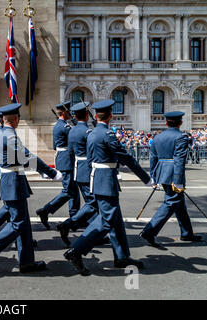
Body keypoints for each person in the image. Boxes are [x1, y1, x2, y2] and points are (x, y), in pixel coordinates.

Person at [63, 100, 154, 276]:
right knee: (107, 220)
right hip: (106, 181)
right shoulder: (107, 134)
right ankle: (76, 251)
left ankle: (122, 256)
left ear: (96, 116)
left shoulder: (92, 133)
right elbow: (126, 158)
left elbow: (90, 160)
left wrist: (93, 180)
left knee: (116, 220)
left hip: (98, 179)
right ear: (111, 116)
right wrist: (146, 178)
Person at [0, 103, 63, 276]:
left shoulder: (2, 133)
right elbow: (27, 156)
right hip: (12, 182)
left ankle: (27, 261)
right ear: (15, 119)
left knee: (24, 223)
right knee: (18, 223)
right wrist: (51, 172)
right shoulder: (10, 136)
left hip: (11, 180)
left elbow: (22, 155)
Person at [140, 111, 202, 248]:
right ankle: (149, 231)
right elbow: (179, 160)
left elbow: (153, 159)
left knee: (179, 204)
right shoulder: (181, 137)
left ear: (166, 122)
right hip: (174, 174)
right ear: (180, 123)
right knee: (171, 202)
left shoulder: (157, 137)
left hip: (162, 172)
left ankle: (187, 233)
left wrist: (154, 177)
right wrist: (178, 181)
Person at [56, 102, 109, 247]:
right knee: (92, 203)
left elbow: (71, 151)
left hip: (78, 169)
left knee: (91, 203)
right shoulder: (87, 132)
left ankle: (95, 234)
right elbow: (94, 152)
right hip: (87, 169)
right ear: (86, 115)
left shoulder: (72, 130)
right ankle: (68, 224)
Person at [36, 101, 80, 230]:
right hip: (67, 161)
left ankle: (75, 217)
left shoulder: (59, 125)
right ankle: (45, 210)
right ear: (65, 112)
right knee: (68, 191)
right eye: (69, 112)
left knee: (74, 190)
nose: (71, 114)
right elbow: (75, 139)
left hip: (65, 159)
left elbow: (55, 145)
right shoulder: (64, 127)